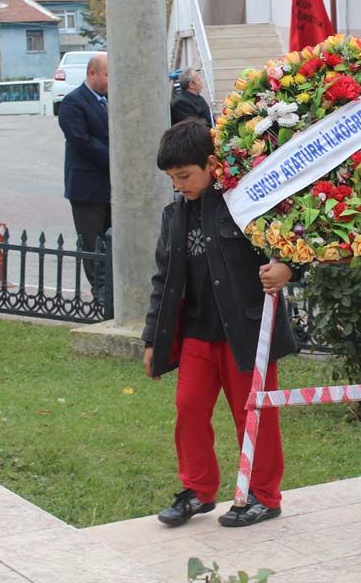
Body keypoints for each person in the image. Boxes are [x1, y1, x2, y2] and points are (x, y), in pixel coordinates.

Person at [143, 120, 298, 528]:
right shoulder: (172, 216)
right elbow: (163, 280)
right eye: (172, 179)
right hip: (196, 335)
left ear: (211, 164)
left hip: (247, 334)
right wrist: (149, 340)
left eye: (185, 175)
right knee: (188, 409)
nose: (179, 185)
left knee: (255, 416)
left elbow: (292, 241)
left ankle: (264, 496)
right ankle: (197, 491)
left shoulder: (244, 202)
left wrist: (287, 269)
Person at [58, 52, 111, 292]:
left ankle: (112, 291)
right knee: (93, 244)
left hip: (110, 186)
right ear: (92, 73)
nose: (112, 80)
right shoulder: (73, 102)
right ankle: (100, 293)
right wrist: (117, 160)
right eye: (108, 74)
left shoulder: (109, 99)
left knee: (111, 242)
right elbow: (82, 141)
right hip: (87, 188)